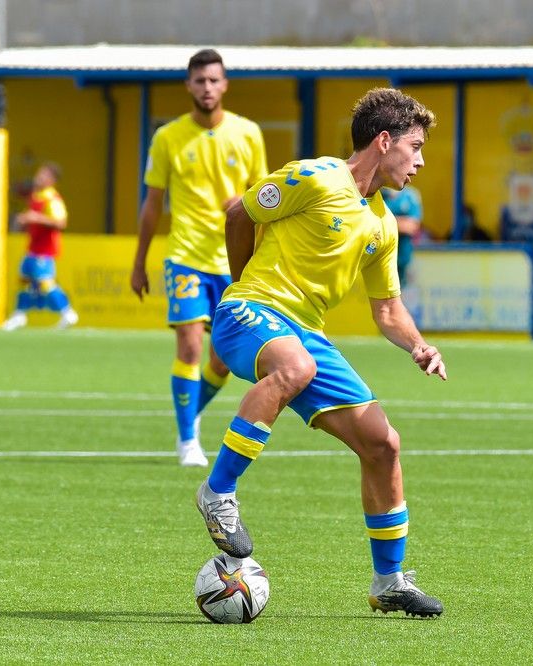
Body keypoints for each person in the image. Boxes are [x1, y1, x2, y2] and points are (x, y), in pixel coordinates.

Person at [198, 87, 446, 618]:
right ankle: (218, 493)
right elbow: (239, 213)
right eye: (416, 147)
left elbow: (388, 310)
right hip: (251, 313)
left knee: (383, 445)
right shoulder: (314, 178)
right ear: (385, 142)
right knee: (296, 366)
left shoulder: (381, 223)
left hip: (306, 334)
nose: (421, 161)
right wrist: (241, 287)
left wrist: (419, 345)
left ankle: (390, 582)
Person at [130, 48, 268, 467]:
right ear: (188, 85)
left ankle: (188, 416)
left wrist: (245, 201)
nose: (207, 88)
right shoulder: (168, 137)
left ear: (225, 84)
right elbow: (153, 203)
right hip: (186, 255)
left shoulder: (247, 133)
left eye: (214, 80)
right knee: (190, 344)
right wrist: (139, 262)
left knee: (222, 361)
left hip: (233, 259)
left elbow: (267, 196)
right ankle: (189, 439)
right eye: (199, 81)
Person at [1, 162, 79, 331]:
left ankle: (67, 312)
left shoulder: (52, 199)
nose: (39, 177)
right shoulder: (37, 196)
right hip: (33, 247)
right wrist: (25, 221)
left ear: (52, 180)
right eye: (39, 173)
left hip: (45, 249)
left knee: (45, 282)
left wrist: (35, 218)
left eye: (43, 174)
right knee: (24, 279)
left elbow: (61, 222)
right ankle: (19, 315)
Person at [380, 184, 423, 285]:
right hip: (380, 258)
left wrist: (383, 222)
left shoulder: (410, 195)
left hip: (403, 259)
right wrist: (400, 222)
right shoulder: (377, 194)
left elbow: (412, 227)